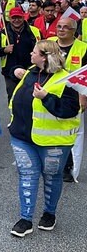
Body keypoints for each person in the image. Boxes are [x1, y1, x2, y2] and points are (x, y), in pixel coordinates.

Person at [8, 40, 80, 237]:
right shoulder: (32, 71)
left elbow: (70, 110)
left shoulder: (66, 80)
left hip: (53, 142)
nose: (31, 55)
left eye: (34, 52)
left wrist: (46, 97)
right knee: (27, 176)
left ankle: (49, 214)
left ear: (45, 57)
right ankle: (25, 219)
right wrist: (15, 70)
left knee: (52, 177)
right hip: (22, 137)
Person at [46, 17, 87, 182]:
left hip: (72, 96)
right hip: (50, 92)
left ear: (74, 31)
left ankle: (68, 166)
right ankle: (49, 162)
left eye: (66, 27)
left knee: (69, 132)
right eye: (59, 27)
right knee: (49, 129)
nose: (61, 29)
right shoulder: (49, 43)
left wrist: (83, 97)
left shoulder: (83, 48)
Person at [0, 7, 40, 101]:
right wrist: (4, 50)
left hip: (30, 70)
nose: (16, 20)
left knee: (31, 96)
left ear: (23, 17)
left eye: (19, 17)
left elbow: (42, 48)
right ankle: (13, 115)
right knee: (13, 97)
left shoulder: (34, 31)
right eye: (14, 18)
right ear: (9, 19)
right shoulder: (3, 33)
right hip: (10, 72)